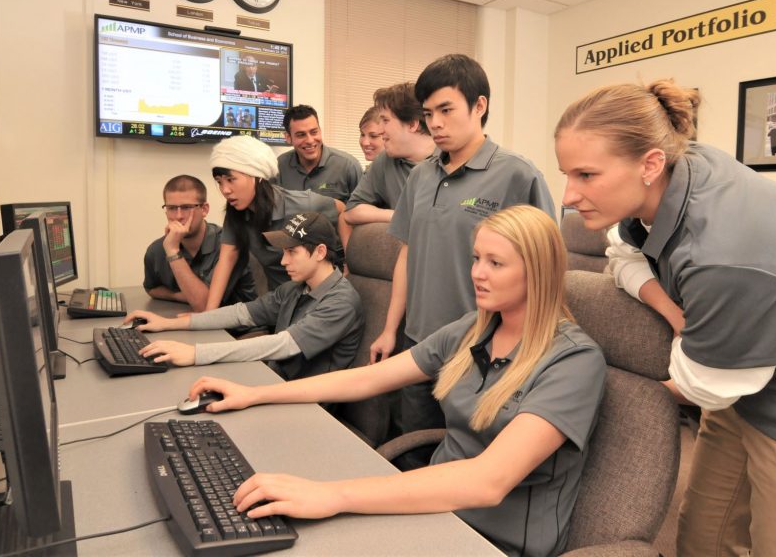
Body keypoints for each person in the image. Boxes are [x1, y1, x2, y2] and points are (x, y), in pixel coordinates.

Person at [554, 80, 776, 557]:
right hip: (744, 386)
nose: (569, 195)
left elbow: (705, 385)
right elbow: (622, 253)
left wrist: (605, 389)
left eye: (586, 175)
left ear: (650, 164)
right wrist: (675, 313)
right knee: (703, 540)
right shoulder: (676, 170)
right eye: (567, 174)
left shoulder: (726, 250)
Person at [186, 205, 606, 557]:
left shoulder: (573, 361)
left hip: (492, 541)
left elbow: (488, 482)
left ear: (538, 272)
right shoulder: (472, 330)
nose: (477, 273)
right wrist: (256, 394)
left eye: (495, 263)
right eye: (476, 258)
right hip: (433, 510)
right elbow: (367, 380)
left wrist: (336, 495)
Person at [368, 54, 556, 454]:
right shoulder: (420, 176)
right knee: (413, 456)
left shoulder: (517, 174)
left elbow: (546, 272)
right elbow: (407, 256)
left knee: (469, 461)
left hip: (483, 352)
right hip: (419, 344)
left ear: (480, 106)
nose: (434, 123)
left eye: (446, 110)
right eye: (428, 113)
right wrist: (390, 329)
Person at [132, 212, 363, 381]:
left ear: (320, 252)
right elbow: (242, 313)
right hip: (273, 380)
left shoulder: (341, 301)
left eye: (291, 252)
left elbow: (283, 345)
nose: (283, 262)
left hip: (308, 403)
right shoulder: (295, 288)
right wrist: (169, 324)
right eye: (283, 253)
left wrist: (196, 353)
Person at [204, 135, 342, 311]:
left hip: (317, 303)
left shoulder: (300, 203)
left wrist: (350, 267)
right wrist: (207, 316)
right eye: (219, 182)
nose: (225, 190)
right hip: (280, 304)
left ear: (257, 176)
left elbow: (342, 210)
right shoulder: (236, 214)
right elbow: (226, 261)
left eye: (231, 180)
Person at [143, 175, 256, 312]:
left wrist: (173, 252)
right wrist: (182, 296)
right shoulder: (157, 249)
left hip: (239, 330)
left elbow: (205, 307)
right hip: (194, 326)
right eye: (172, 208)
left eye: (186, 207)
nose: (178, 216)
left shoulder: (228, 245)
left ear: (204, 209)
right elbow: (152, 288)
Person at [344, 82, 437, 226]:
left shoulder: (453, 158)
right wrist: (398, 215)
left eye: (385, 120)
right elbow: (352, 211)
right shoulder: (385, 160)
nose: (381, 130)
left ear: (412, 124)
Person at [276, 104, 362, 203]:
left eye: (314, 132)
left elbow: (362, 210)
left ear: (320, 131)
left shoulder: (349, 166)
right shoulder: (278, 167)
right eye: (301, 135)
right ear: (288, 137)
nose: (310, 140)